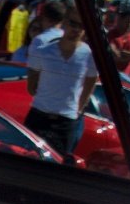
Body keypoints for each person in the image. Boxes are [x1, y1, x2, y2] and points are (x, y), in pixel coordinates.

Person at [25, 11, 99, 163]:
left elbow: (91, 82)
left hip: (66, 121)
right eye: (73, 24)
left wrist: (78, 108)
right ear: (64, 23)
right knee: (27, 160)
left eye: (81, 26)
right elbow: (32, 84)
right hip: (39, 116)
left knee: (59, 166)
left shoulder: (89, 56)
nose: (76, 29)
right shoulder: (44, 51)